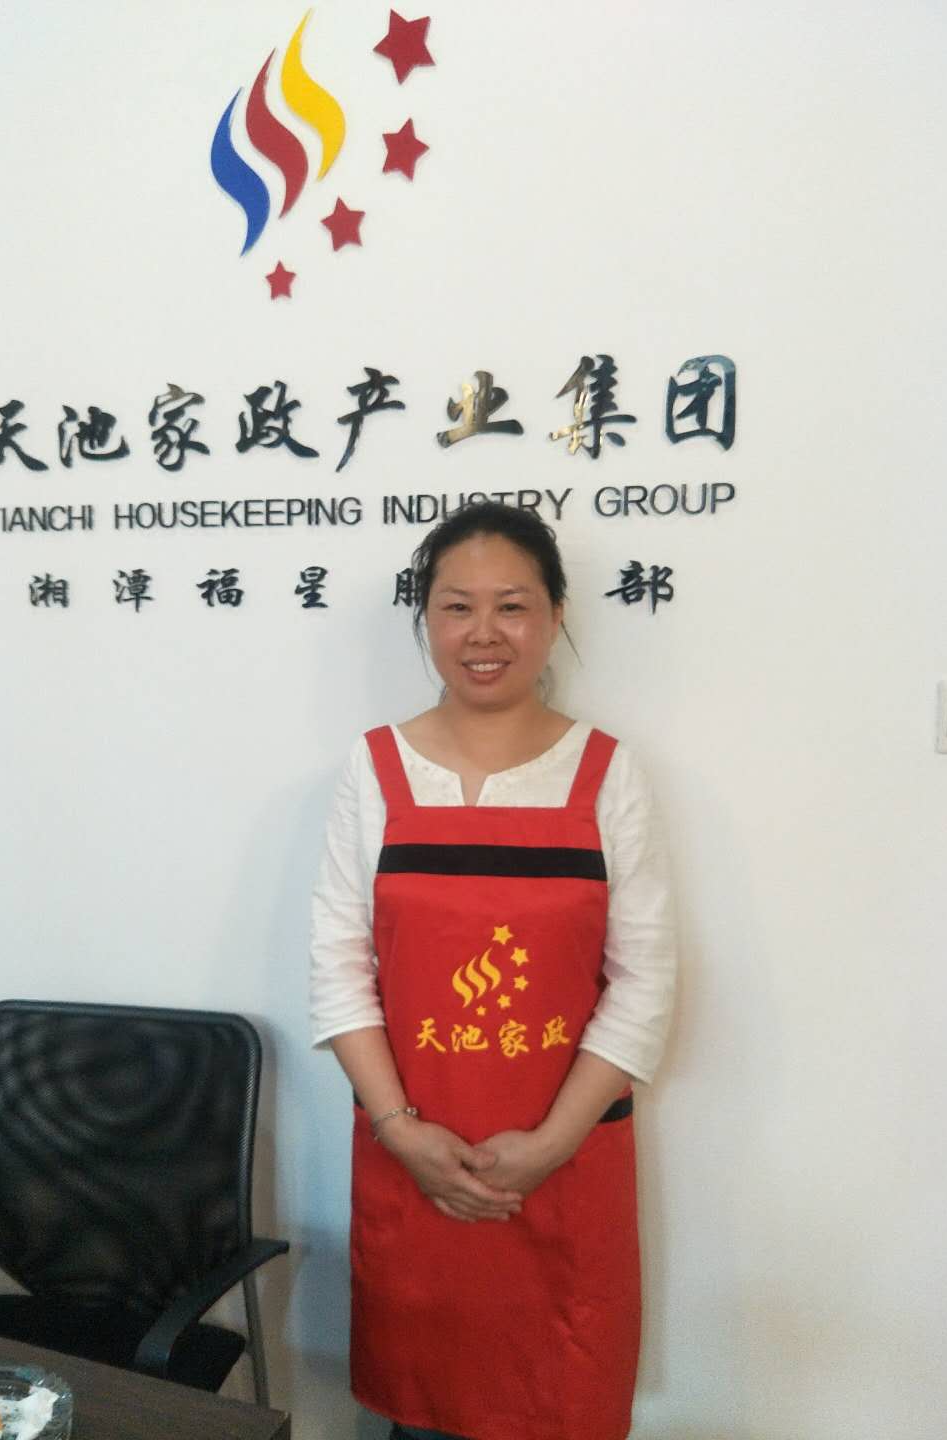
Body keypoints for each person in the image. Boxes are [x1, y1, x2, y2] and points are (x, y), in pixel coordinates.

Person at [310, 501, 676, 1440]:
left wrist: (552, 1143)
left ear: (555, 616)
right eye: (456, 606)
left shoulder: (607, 772)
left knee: (557, 1406)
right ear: (425, 618)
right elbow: (338, 967)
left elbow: (644, 982)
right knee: (421, 1416)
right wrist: (401, 1132)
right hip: (412, 1159)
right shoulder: (374, 768)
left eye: (511, 606)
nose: (483, 633)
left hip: (564, 1167)